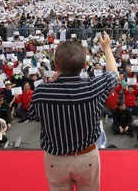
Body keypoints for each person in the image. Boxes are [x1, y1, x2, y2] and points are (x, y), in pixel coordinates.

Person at [29, 32, 119, 191]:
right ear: (85, 66)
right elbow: (114, 76)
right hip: (86, 157)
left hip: (55, 159)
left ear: (56, 66)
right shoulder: (93, 88)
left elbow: (34, 115)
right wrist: (107, 49)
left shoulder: (41, 92)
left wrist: (54, 84)